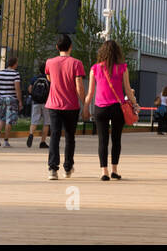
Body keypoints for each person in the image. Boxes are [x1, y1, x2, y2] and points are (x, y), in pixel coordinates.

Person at [84, 39, 137, 181]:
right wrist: (134, 103)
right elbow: (127, 88)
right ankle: (114, 170)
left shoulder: (94, 68)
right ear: (117, 53)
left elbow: (90, 92)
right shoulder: (123, 68)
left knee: (103, 140)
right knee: (116, 139)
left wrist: (85, 108)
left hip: (100, 108)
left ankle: (104, 171)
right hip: (116, 108)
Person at [43, 35, 86, 180]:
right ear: (71, 47)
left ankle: (52, 169)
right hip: (71, 105)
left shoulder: (49, 62)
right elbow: (79, 85)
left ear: (57, 47)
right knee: (69, 137)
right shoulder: (77, 63)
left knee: (54, 135)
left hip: (53, 104)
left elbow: (49, 78)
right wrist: (85, 103)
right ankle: (67, 168)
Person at [0, 56, 22, 147]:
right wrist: (20, 101)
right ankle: (6, 141)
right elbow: (17, 89)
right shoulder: (16, 74)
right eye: (17, 63)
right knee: (9, 120)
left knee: (2, 118)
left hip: (1, 98)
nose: (17, 65)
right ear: (14, 64)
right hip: (11, 99)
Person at [26, 68, 51, 149]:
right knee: (46, 122)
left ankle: (31, 134)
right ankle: (42, 142)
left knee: (34, 120)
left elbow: (29, 89)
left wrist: (35, 95)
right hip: (46, 103)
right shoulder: (49, 79)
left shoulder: (35, 78)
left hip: (36, 102)